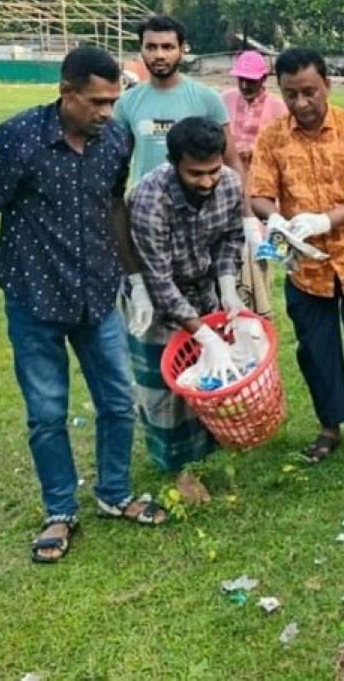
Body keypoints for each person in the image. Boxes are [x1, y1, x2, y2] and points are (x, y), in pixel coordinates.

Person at [0, 47, 168, 564]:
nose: (107, 112)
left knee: (118, 401)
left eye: (113, 101)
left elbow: (114, 206)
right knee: (46, 412)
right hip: (33, 297)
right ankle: (60, 510)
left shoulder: (116, 139)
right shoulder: (17, 138)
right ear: (66, 92)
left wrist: (135, 278)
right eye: (96, 102)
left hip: (97, 295)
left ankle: (114, 493)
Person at [248, 47, 344, 462]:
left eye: (309, 92)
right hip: (304, 267)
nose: (301, 103)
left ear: (327, 85)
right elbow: (259, 193)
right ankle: (329, 425)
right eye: (291, 94)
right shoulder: (272, 137)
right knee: (316, 349)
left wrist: (325, 220)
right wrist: (276, 220)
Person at [114, 15, 271, 317]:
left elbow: (231, 161)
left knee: (212, 308)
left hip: (203, 220)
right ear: (141, 49)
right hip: (151, 217)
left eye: (167, 47)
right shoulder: (127, 103)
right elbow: (117, 171)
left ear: (182, 49)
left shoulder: (207, 98)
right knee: (154, 315)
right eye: (151, 47)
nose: (159, 55)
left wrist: (247, 216)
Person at [125, 117, 246, 483]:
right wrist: (203, 333)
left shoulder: (229, 183)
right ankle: (178, 468)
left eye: (213, 170)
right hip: (156, 302)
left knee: (207, 375)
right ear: (173, 162)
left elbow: (231, 237)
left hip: (204, 288)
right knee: (165, 389)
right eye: (195, 174)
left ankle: (211, 450)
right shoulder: (150, 199)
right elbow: (158, 281)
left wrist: (227, 286)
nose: (207, 182)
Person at [221, 50, 289, 171]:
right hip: (227, 169)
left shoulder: (278, 107)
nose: (244, 86)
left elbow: (284, 145)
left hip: (262, 171)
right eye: (241, 79)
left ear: (263, 78)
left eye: (250, 81)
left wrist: (254, 149)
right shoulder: (225, 99)